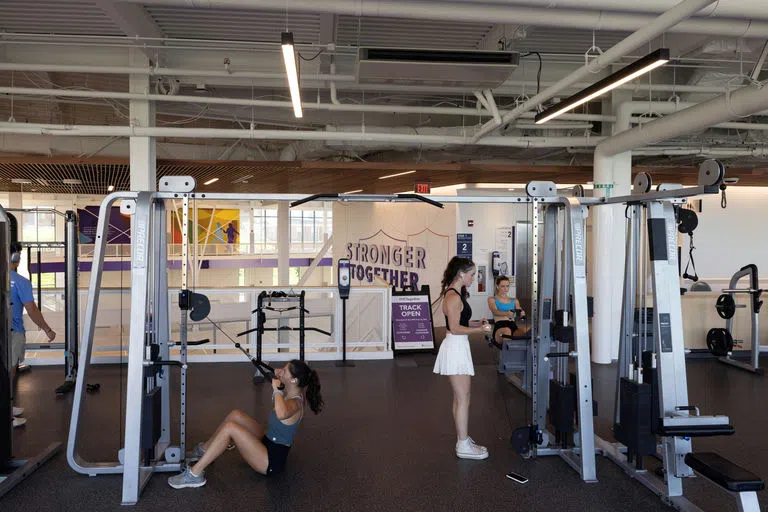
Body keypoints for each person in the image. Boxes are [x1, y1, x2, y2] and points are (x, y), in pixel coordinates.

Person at [168, 359, 323, 489]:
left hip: (271, 461)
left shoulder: (295, 403)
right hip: (268, 440)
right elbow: (282, 394)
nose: (280, 371)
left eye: (285, 370)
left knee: (230, 428)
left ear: (294, 380)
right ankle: (203, 450)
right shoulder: (292, 390)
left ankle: (195, 474)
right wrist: (281, 378)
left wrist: (276, 390)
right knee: (235, 415)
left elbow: (282, 413)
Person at [433, 256, 491, 460]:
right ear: (461, 274)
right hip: (455, 347)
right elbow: (455, 329)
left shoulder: (456, 293)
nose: (474, 278)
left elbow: (460, 322)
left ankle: (463, 439)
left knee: (461, 398)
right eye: (472, 274)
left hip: (458, 346)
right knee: (463, 398)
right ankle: (463, 445)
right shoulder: (453, 296)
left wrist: (477, 323)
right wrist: (481, 331)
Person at [9, 242, 56, 428]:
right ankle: (7, 418)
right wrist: (47, 329)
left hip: (8, 332)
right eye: (18, 255)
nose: (19, 259)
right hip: (13, 333)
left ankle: (8, 407)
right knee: (9, 374)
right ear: (15, 257)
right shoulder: (20, 282)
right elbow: (32, 310)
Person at [487, 275, 529, 347]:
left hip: (512, 325)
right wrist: (506, 313)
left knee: (527, 330)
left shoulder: (514, 300)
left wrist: (522, 313)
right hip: (500, 326)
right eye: (503, 286)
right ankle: (506, 354)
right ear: (497, 286)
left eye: (507, 286)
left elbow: (519, 309)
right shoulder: (492, 299)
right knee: (507, 331)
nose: (505, 289)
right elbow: (495, 311)